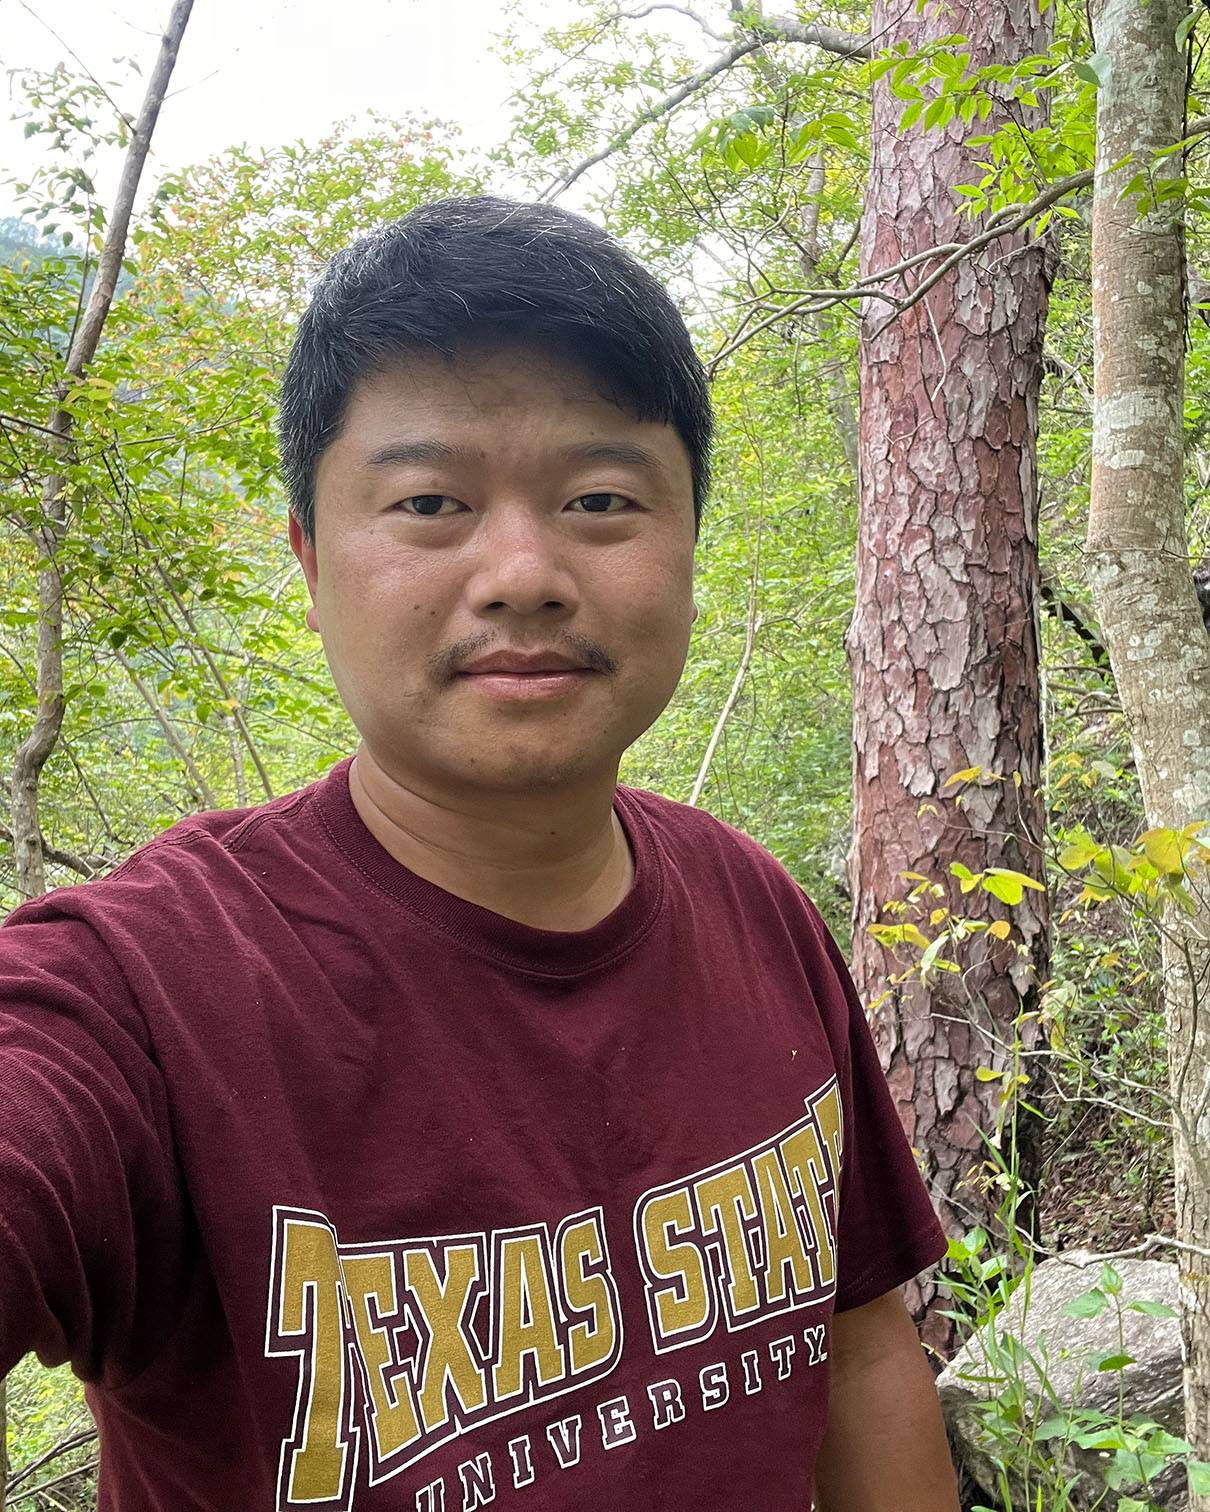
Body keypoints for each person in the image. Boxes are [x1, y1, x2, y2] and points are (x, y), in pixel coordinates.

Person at [0, 195, 960, 1512]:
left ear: (685, 545)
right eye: (432, 501)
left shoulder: (752, 905)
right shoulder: (145, 994)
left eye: (600, 498)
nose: (520, 571)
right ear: (311, 556)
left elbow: (858, 1353)